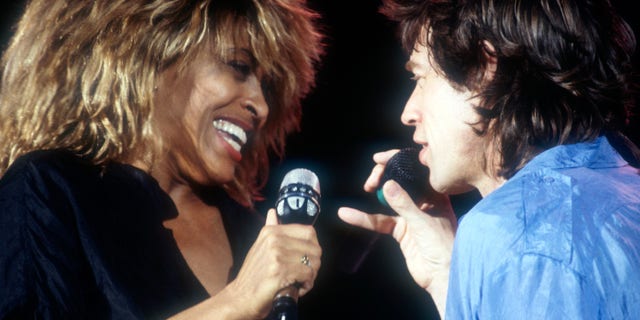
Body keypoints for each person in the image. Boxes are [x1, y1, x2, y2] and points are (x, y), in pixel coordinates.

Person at [0, 0, 325, 319]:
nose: (261, 105)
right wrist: (237, 302)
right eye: (238, 67)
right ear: (152, 55)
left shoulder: (256, 233)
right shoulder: (49, 190)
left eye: (266, 87)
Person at [338, 0, 640, 318]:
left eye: (421, 78)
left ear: (485, 70)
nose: (407, 113)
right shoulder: (625, 186)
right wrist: (447, 277)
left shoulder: (512, 228)